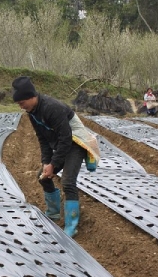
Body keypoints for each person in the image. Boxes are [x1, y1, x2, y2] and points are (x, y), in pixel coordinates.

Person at [11, 76, 100, 238]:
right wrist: (47, 162)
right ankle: (53, 213)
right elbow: (43, 138)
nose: (20, 106)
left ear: (31, 97)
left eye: (21, 102)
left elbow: (66, 139)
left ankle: (71, 226)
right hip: (60, 143)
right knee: (43, 177)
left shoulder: (52, 108)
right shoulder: (32, 112)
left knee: (67, 182)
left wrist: (54, 163)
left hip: (75, 142)